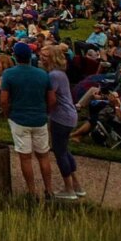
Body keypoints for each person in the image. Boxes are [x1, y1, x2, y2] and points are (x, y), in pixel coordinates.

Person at [0, 42, 55, 199]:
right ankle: (49, 189)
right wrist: (46, 112)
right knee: (43, 155)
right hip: (40, 119)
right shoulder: (43, 74)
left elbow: (4, 100)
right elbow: (52, 99)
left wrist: (7, 114)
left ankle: (32, 192)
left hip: (19, 119)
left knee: (25, 157)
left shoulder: (9, 74)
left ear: (16, 57)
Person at [41, 44, 85, 199]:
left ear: (52, 58)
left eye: (45, 55)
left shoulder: (53, 75)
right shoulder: (60, 73)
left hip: (61, 116)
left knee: (59, 152)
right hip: (69, 115)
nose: (41, 57)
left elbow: (51, 99)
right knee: (65, 150)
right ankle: (76, 185)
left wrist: (45, 112)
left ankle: (68, 189)